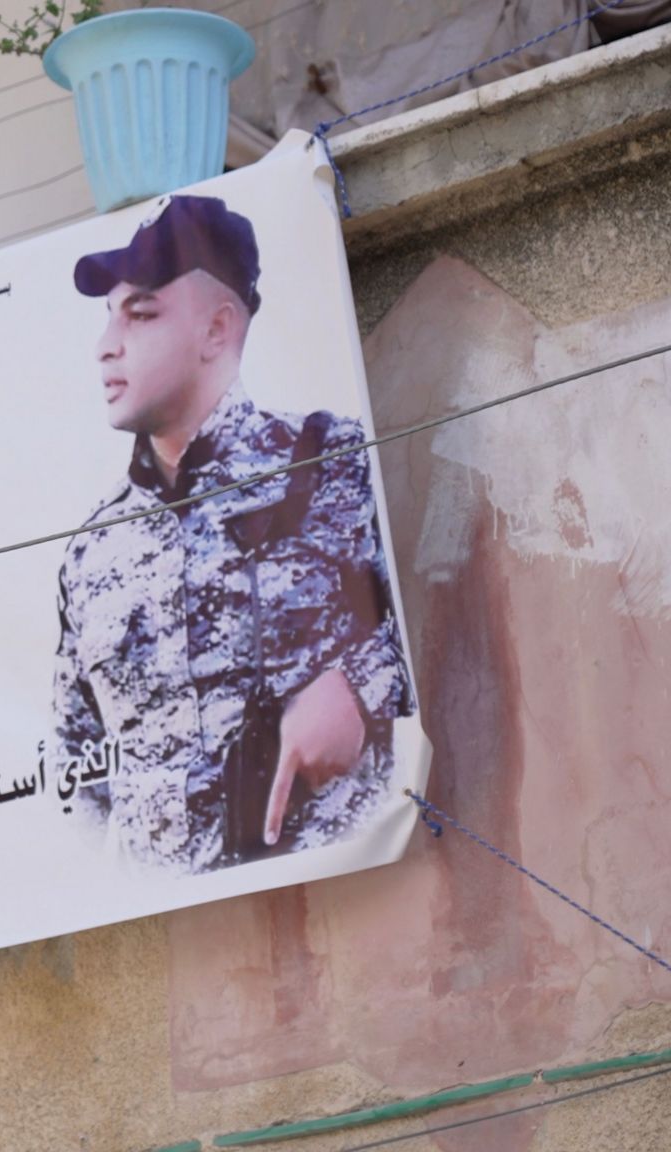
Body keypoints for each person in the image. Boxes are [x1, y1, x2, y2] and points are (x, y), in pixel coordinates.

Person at [52, 194, 414, 873]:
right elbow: (74, 771)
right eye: (108, 318)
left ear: (217, 331)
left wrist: (357, 694)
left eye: (141, 314)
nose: (106, 346)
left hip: (345, 906)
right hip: (181, 946)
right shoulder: (92, 551)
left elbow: (442, 636)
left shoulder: (331, 465)